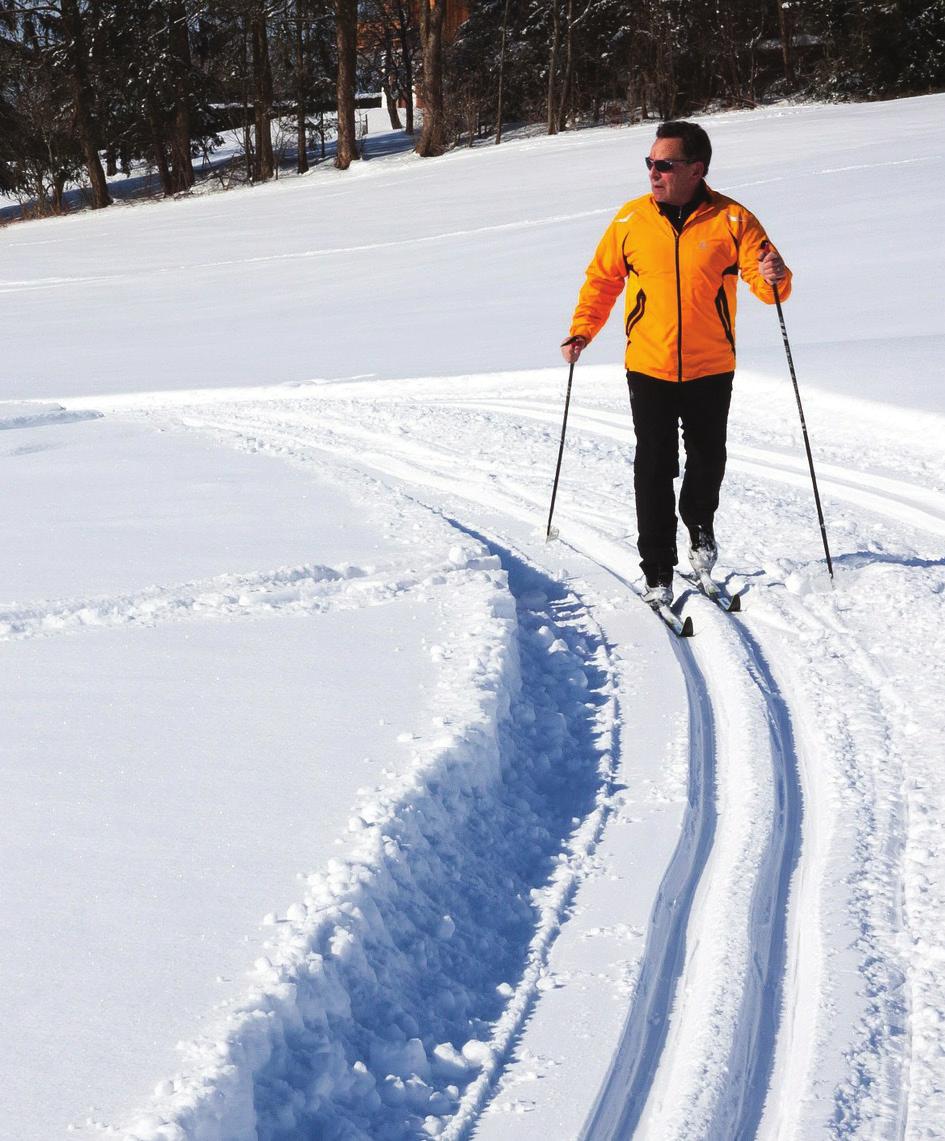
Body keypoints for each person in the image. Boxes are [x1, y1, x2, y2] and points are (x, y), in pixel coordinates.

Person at [561, 120, 791, 606]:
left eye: (664, 164)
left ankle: (699, 527)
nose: (653, 173)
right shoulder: (630, 221)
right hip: (649, 366)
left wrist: (776, 274)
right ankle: (658, 567)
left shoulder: (733, 220)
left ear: (696, 168)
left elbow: (768, 282)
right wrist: (583, 329)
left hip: (712, 366)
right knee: (653, 465)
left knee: (708, 461)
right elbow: (602, 282)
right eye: (650, 163)